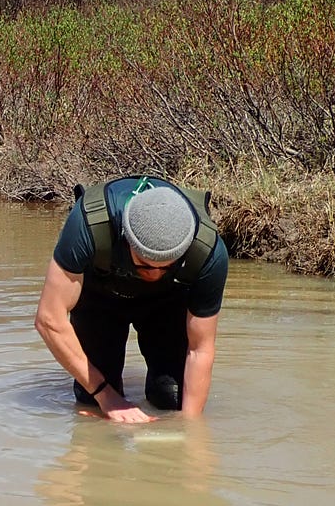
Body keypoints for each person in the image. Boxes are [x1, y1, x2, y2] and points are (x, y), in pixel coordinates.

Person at [34, 175, 228, 423]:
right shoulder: (88, 225)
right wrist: (107, 397)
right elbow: (49, 320)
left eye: (166, 267)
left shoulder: (209, 252)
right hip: (99, 299)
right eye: (145, 265)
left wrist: (190, 432)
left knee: (172, 399)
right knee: (92, 406)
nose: (154, 274)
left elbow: (200, 349)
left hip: (167, 303)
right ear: (127, 241)